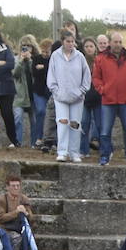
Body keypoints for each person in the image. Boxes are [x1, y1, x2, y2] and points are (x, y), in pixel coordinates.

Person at [92, 32, 126, 166]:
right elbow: (96, 78)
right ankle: (105, 157)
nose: (118, 44)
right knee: (105, 131)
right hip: (108, 100)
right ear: (110, 43)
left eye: (120, 42)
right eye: (115, 42)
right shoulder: (100, 59)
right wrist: (102, 90)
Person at [46, 30, 90, 163]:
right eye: (68, 41)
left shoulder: (80, 56)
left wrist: (81, 91)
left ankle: (74, 152)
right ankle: (62, 151)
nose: (71, 44)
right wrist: (56, 91)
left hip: (77, 97)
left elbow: (87, 76)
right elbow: (51, 75)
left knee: (75, 124)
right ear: (62, 42)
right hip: (60, 97)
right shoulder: (55, 56)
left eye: (72, 41)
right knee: (62, 122)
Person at [0, 176, 32, 250]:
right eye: (13, 186)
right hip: (4, 228)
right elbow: (0, 217)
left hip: (19, 227)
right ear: (7, 187)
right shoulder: (2, 199)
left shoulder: (24, 198)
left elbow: (31, 217)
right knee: (16, 238)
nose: (16, 188)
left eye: (18, 186)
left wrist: (26, 213)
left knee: (28, 238)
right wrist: (16, 212)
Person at [0, 26, 16, 148]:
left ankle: (13, 141)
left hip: (6, 88)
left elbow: (11, 64)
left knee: (8, 115)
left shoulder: (5, 48)